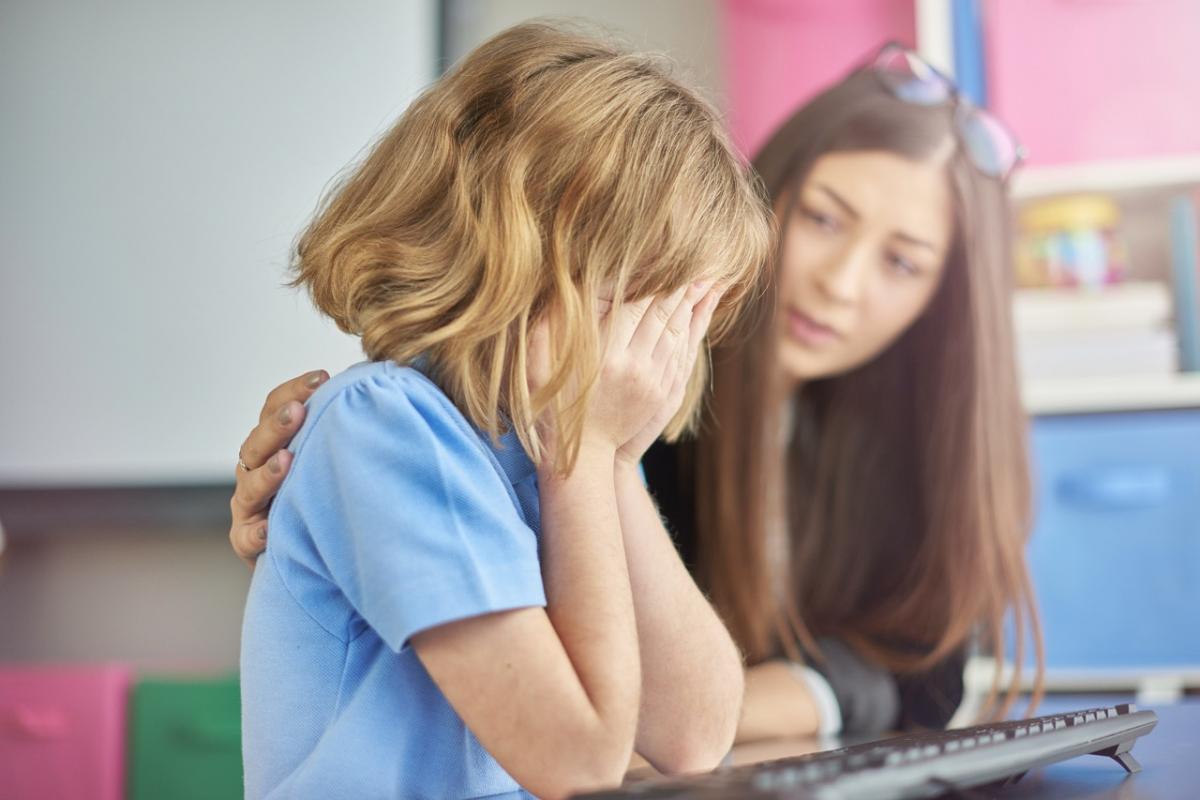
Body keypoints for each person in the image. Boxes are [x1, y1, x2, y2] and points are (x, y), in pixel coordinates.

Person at [232, 43, 1044, 748]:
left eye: (902, 263)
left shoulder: (901, 439)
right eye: (826, 220)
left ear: (943, 304)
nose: (840, 283)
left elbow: (916, 680)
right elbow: (532, 678)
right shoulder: (597, 400)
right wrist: (321, 513)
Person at [238, 22, 771, 800]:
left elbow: (693, 736)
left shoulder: (539, 449)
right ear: (512, 250)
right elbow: (579, 761)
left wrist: (616, 463)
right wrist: (586, 454)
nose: (653, 351)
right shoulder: (383, 427)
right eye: (636, 305)